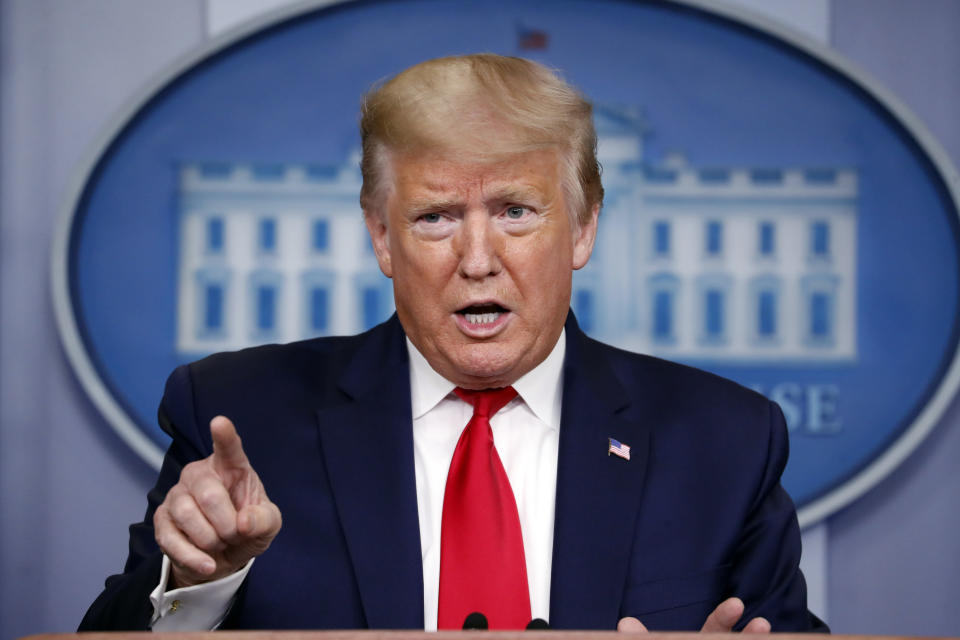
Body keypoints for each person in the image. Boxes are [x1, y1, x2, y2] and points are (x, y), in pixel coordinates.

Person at [80, 54, 826, 633]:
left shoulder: (726, 440)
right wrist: (197, 581)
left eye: (516, 211)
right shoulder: (243, 417)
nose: (477, 258)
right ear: (381, 235)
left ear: (585, 227)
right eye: (436, 216)